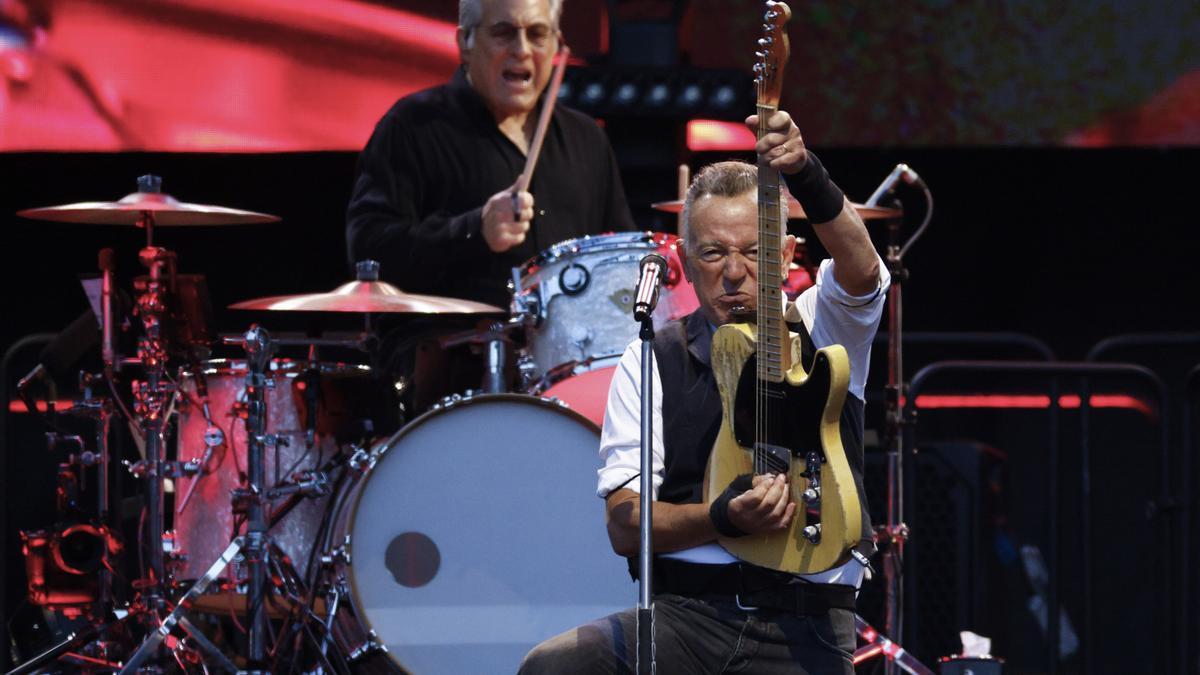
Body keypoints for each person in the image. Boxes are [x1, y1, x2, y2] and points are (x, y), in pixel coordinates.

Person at [519, 109, 889, 674]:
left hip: (806, 622)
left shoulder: (823, 324)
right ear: (688, 264)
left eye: (754, 252)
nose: (735, 272)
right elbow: (625, 524)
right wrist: (721, 518)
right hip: (688, 619)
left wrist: (806, 172)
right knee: (554, 666)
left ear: (787, 257)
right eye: (714, 253)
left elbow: (863, 271)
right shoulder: (651, 360)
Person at [345, 0, 635, 308]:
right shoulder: (410, 127)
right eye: (504, 32)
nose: (521, 49)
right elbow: (368, 252)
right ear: (464, 43)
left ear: (555, 45)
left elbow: (621, 255)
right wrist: (474, 231)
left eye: (537, 34)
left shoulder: (586, 137)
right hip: (449, 349)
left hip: (571, 352)